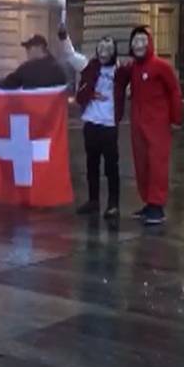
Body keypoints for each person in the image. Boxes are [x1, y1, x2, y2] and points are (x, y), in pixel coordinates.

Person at [59, 27, 128, 224]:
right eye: (101, 48)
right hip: (91, 122)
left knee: (111, 166)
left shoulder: (121, 71)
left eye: (108, 49)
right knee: (92, 164)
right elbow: (70, 54)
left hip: (109, 125)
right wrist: (64, 37)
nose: (103, 52)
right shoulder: (90, 66)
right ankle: (93, 200)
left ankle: (113, 204)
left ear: (114, 51)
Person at [123, 25, 182, 225]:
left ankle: (157, 205)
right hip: (138, 123)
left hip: (157, 124)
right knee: (142, 163)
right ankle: (149, 202)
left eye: (142, 41)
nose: (138, 45)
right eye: (135, 41)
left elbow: (174, 91)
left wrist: (175, 119)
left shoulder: (161, 66)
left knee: (157, 164)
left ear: (149, 43)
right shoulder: (133, 68)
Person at [0, 34, 67, 89]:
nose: (27, 51)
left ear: (40, 47)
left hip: (31, 110)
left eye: (29, 48)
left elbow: (8, 83)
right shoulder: (59, 68)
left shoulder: (27, 69)